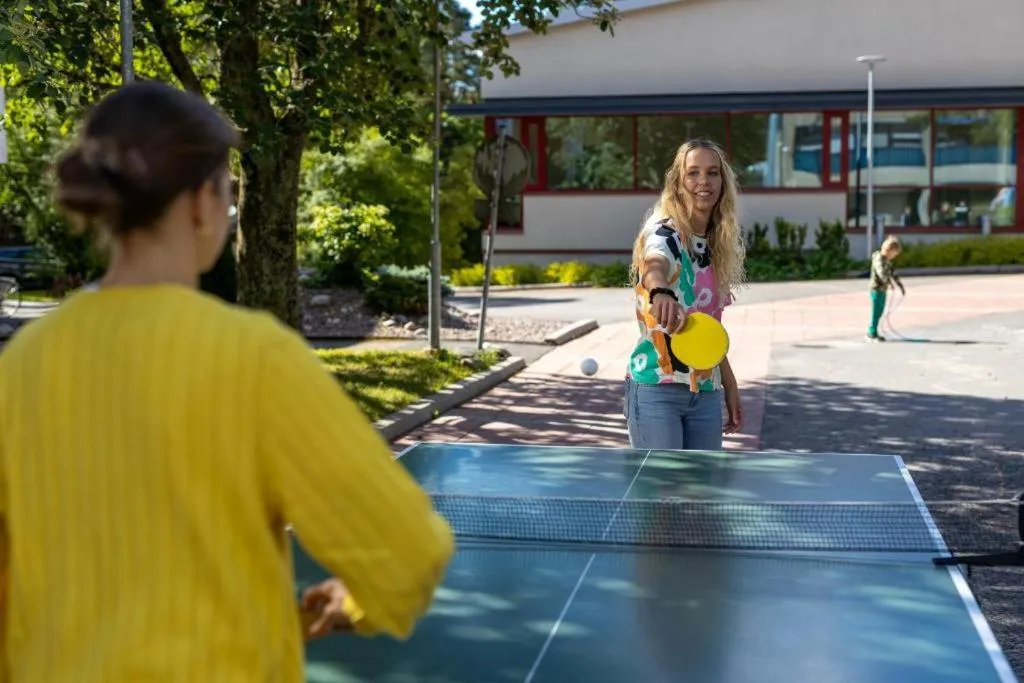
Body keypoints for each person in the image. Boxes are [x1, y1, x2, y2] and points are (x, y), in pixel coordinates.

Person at [0, 81, 454, 682]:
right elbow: (404, 553)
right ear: (197, 202)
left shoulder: (22, 363)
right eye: (227, 190)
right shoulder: (256, 357)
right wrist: (357, 603)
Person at [624, 139, 746, 451]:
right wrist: (661, 292)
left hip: (705, 390)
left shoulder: (714, 245)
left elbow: (706, 328)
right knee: (662, 496)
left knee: (700, 496)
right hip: (657, 389)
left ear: (723, 182)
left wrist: (729, 383)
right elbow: (655, 263)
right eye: (693, 173)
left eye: (712, 172)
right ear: (678, 184)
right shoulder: (664, 232)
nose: (703, 181)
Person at [867, 235, 905, 341]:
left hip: (883, 289)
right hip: (875, 289)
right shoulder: (878, 258)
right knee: (875, 311)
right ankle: (871, 333)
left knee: (880, 311)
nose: (894, 256)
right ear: (889, 250)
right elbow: (880, 272)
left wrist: (900, 286)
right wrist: (887, 282)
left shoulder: (887, 260)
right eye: (894, 253)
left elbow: (893, 273)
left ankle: (875, 331)